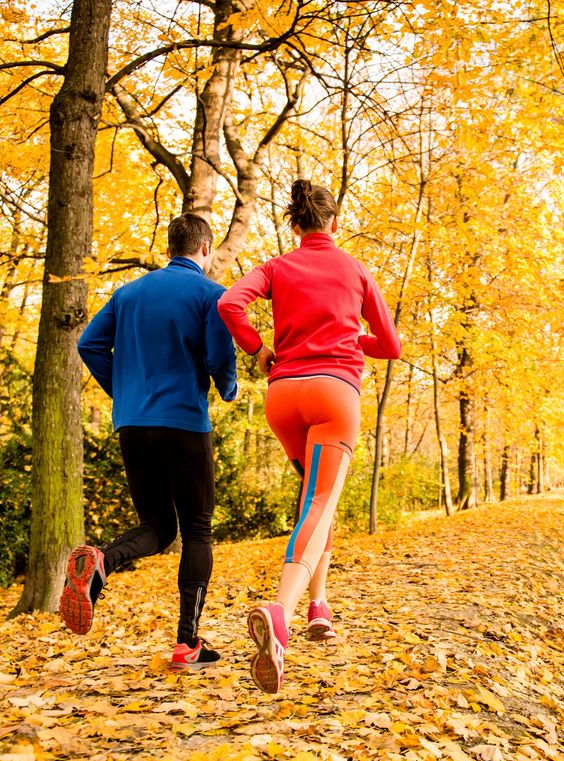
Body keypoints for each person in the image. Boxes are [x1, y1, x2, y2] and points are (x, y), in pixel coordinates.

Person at [218, 179, 401, 694]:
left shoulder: (277, 267)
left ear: (295, 226)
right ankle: (283, 613)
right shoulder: (355, 269)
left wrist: (257, 347)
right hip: (333, 394)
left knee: (316, 502)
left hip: (283, 396)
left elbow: (230, 303)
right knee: (320, 500)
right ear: (335, 224)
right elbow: (389, 344)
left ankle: (320, 605)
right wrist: (346, 334)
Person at [62, 213, 239, 673]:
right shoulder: (210, 295)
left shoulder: (128, 294)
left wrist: (124, 392)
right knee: (197, 529)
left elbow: (88, 344)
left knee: (158, 527)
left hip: (134, 426)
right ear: (206, 249)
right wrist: (228, 386)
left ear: (168, 250)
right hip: (183, 423)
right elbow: (221, 356)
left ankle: (102, 560)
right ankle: (187, 644)